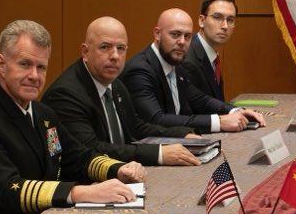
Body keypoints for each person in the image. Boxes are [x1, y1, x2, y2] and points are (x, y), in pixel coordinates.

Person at [0, 21, 143, 214]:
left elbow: (77, 158)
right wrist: (80, 193)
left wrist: (118, 170)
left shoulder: (43, 114)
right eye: (25, 64)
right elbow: (11, 190)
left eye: (41, 67)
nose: (34, 75)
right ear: (1, 65)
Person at [45, 18, 201, 169]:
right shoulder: (66, 94)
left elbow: (135, 127)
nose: (114, 56)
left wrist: (181, 135)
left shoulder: (116, 83)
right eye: (105, 47)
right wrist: (159, 154)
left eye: (120, 48)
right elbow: (92, 149)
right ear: (85, 52)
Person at [122, 8, 265, 135]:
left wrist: (235, 111)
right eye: (175, 34)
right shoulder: (139, 70)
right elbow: (157, 119)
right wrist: (218, 122)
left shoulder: (175, 63)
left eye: (187, 36)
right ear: (157, 34)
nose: (182, 42)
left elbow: (200, 99)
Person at [184, 0, 239, 99]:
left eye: (230, 20)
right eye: (217, 17)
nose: (225, 26)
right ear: (201, 21)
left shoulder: (212, 55)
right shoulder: (188, 59)